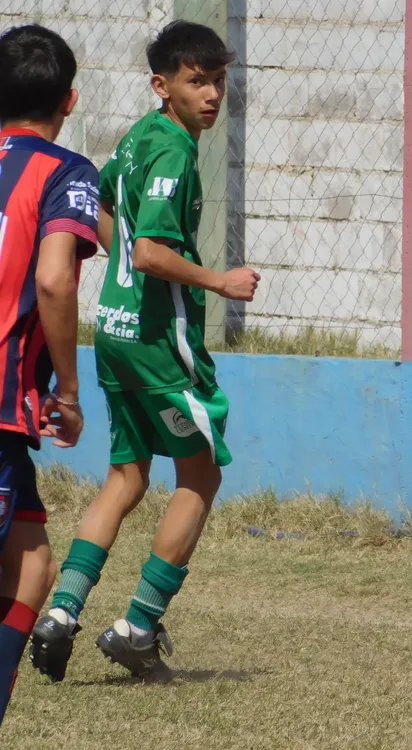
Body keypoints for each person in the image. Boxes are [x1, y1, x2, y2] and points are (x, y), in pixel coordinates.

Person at [31, 20, 260, 681]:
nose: (212, 94)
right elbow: (155, 250)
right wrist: (220, 279)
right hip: (162, 339)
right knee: (202, 474)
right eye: (197, 81)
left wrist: (125, 258)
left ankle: (62, 612)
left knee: (127, 476)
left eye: (219, 80)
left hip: (113, 330)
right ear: (163, 86)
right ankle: (138, 624)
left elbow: (102, 209)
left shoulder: (135, 138)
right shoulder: (175, 151)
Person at [0, 24, 98, 724]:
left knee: (32, 563)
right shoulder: (65, 172)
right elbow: (57, 281)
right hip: (2, 403)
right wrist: (65, 388)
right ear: (69, 99)